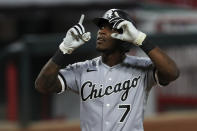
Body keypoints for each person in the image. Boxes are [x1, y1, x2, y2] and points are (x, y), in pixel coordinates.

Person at [35, 9, 179, 131]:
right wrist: (63, 50)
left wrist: (140, 39)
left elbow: (172, 73)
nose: (101, 32)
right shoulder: (82, 69)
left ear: (125, 35)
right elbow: (43, 85)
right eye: (101, 27)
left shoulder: (142, 67)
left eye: (110, 28)